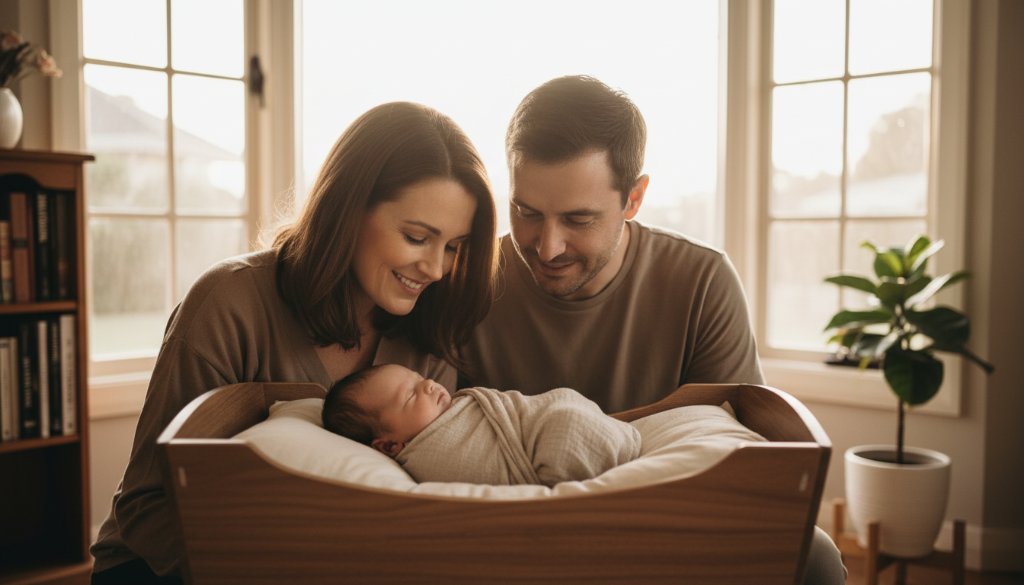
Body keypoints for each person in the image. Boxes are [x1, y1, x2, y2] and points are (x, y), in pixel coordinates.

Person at [458, 75, 847, 585]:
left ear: (634, 198)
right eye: (526, 212)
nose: (547, 247)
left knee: (815, 555)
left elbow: (737, 461)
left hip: (666, 524)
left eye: (578, 219)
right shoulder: (467, 279)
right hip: (505, 526)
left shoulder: (702, 280)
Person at [90, 102, 497, 585]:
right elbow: (146, 505)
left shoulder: (430, 333)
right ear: (348, 210)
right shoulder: (229, 304)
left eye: (453, 247)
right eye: (415, 237)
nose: (435, 268)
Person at [322, 363, 641, 486]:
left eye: (419, 378)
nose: (428, 385)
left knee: (563, 408)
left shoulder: (454, 409)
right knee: (567, 423)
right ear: (390, 445)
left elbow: (519, 412)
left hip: (543, 417)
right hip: (553, 434)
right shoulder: (431, 457)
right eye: (410, 395)